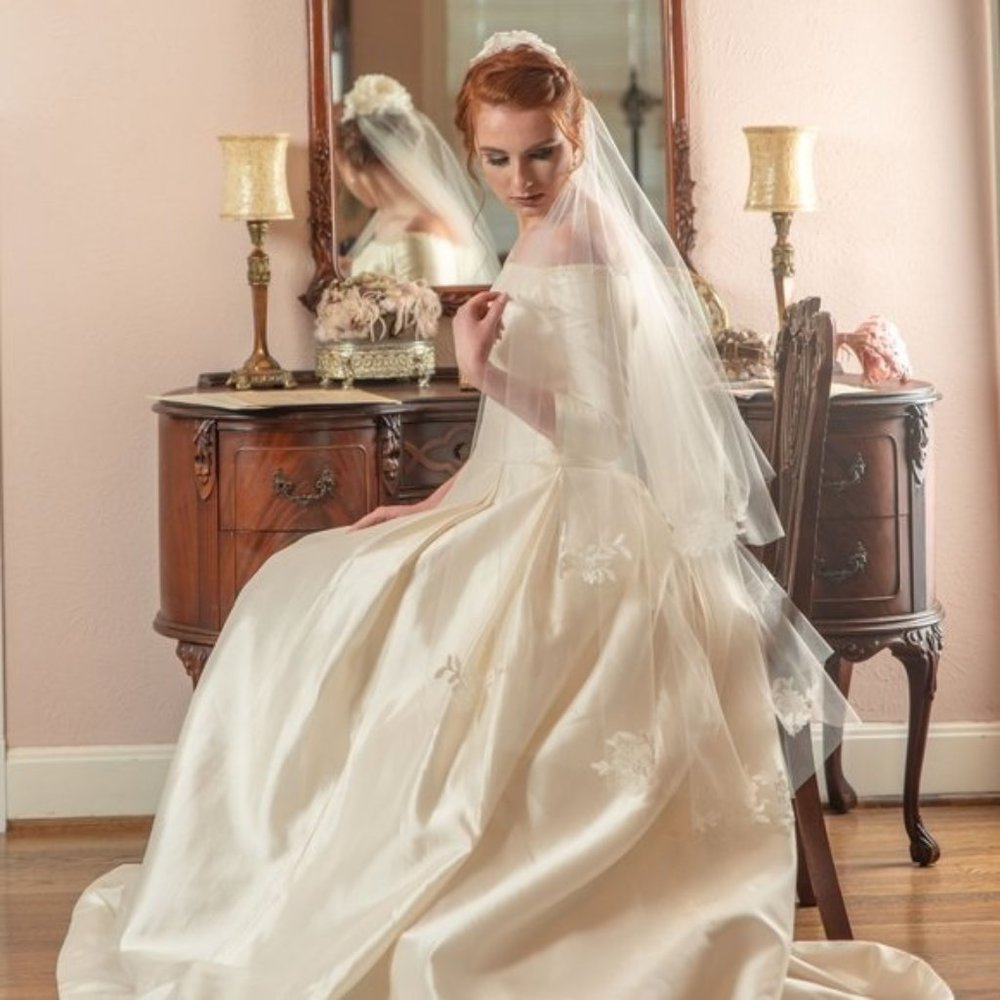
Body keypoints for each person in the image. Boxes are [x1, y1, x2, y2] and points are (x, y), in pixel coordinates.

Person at [58, 33, 952, 999]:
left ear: (576, 140)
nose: (518, 177)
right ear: (469, 149)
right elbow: (521, 444)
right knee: (312, 580)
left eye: (541, 153)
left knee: (330, 612)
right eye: (495, 157)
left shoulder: (589, 238)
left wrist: (486, 373)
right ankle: (312, 861)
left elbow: (616, 439)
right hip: (533, 496)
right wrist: (432, 499)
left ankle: (372, 874)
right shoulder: (542, 232)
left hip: (596, 519)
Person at [334, 73, 499, 286]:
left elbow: (430, 312)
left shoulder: (420, 229)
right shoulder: (389, 218)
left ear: (352, 166)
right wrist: (353, 269)